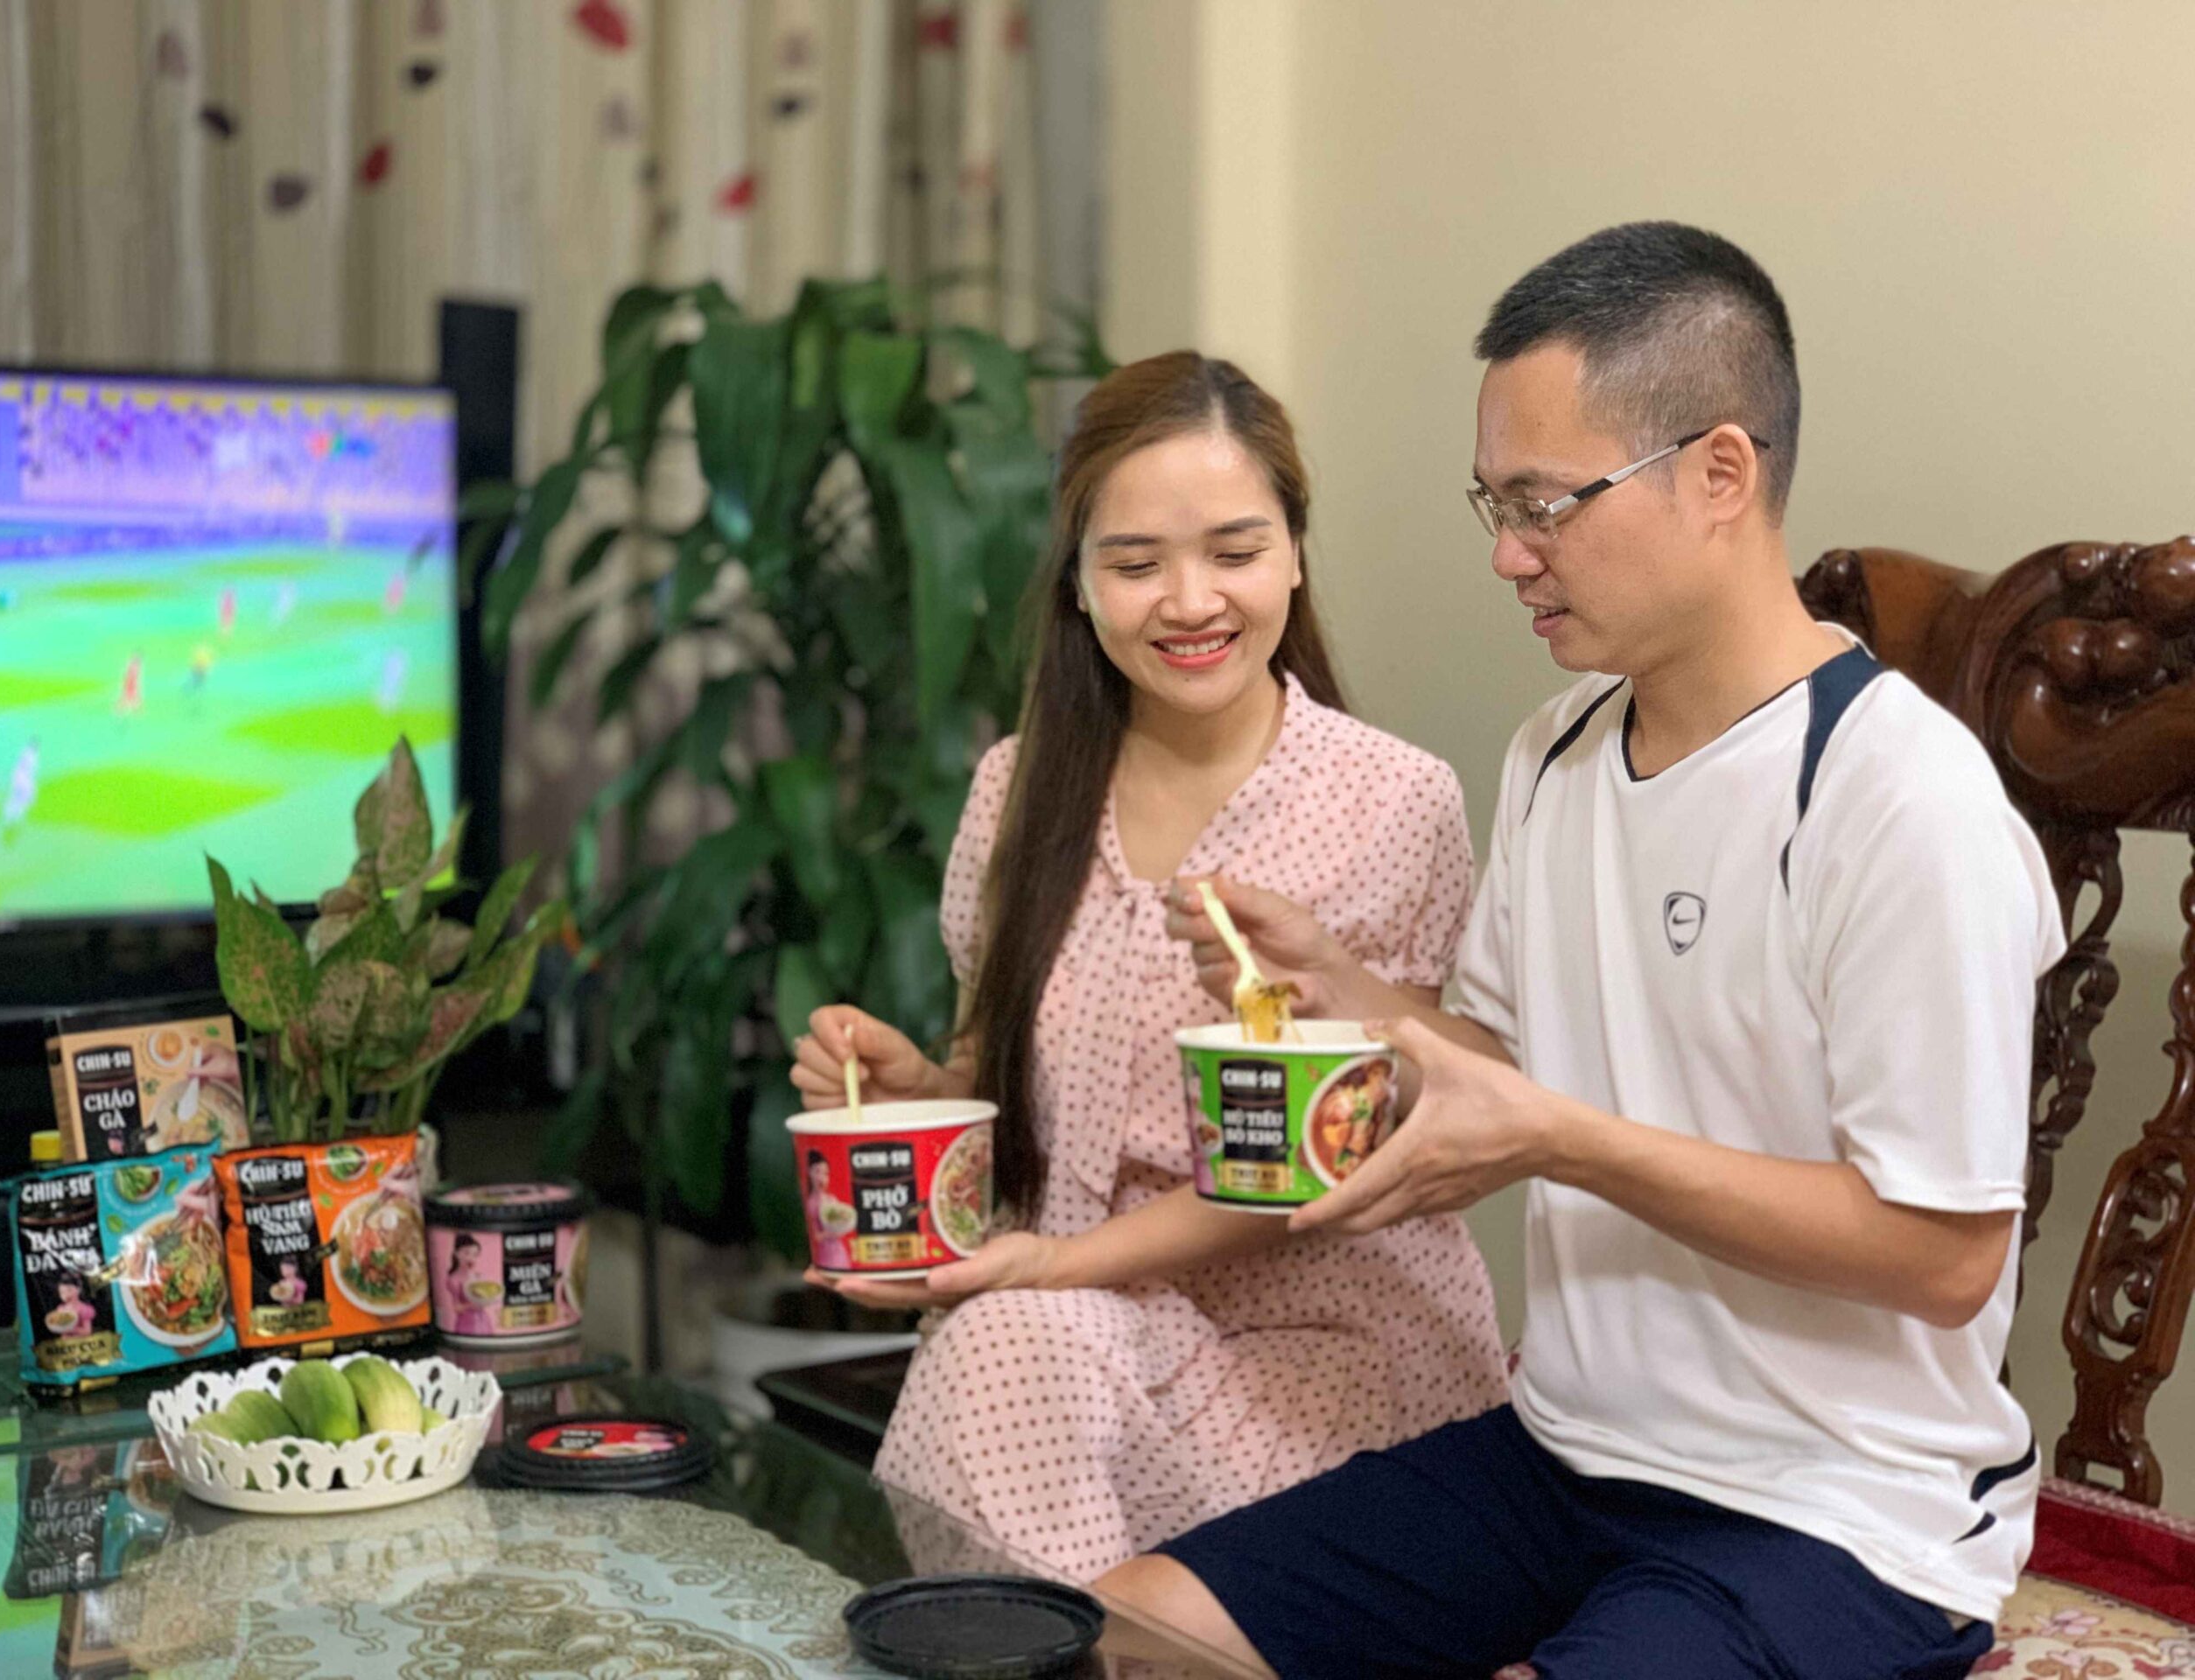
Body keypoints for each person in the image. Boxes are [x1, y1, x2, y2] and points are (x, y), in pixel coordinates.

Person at [1112, 223, 2066, 1679]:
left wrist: (1566, 1143)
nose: (1509, 554)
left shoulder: (1895, 799)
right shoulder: (1556, 751)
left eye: (1545, 505)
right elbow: (1504, 1062)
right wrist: (1343, 990)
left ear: (1720, 474)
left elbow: (1942, 1257)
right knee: (1128, 1631)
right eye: (1494, 505)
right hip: (1565, 1456)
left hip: (1839, 1516)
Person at [790, 352, 1509, 1579]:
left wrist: (1058, 1269)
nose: (1189, 601)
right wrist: (927, 1089)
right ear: (1077, 584)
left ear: (1294, 554)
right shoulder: (1018, 790)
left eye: (1235, 552)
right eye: (1135, 565)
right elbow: (1013, 1080)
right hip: (1073, 1341)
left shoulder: (1391, 801)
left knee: (1006, 1346)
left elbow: (1338, 1158)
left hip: (1320, 1359)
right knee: (1014, 1348)